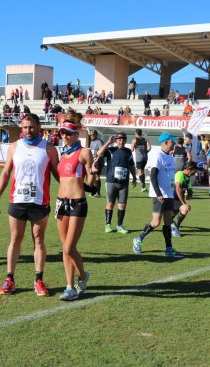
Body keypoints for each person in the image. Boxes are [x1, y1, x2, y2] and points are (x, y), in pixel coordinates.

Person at [0, 113, 59, 296]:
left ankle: (39, 280)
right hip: (17, 201)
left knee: (39, 240)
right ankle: (9, 279)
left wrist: (70, 191)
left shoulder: (50, 148)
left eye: (31, 127)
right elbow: (6, 173)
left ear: (38, 127)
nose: (28, 131)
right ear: (21, 128)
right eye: (25, 127)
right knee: (15, 239)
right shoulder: (14, 147)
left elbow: (57, 174)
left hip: (39, 202)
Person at [55, 115, 95, 301]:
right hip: (61, 203)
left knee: (70, 248)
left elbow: (91, 181)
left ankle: (82, 276)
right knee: (65, 248)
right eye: (63, 133)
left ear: (76, 134)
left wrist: (93, 174)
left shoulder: (84, 152)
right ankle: (71, 286)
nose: (65, 136)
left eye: (69, 133)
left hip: (78, 203)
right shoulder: (62, 155)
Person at [133, 132, 184, 258]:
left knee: (167, 223)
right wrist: (158, 193)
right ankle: (138, 239)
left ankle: (169, 249)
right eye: (172, 141)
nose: (174, 143)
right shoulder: (158, 156)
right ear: (166, 142)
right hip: (160, 195)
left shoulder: (170, 157)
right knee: (156, 222)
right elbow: (153, 176)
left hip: (169, 194)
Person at [96, 132, 137, 234]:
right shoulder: (111, 150)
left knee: (122, 205)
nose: (121, 141)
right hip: (111, 182)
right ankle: (108, 225)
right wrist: (108, 142)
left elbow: (131, 165)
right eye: (119, 140)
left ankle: (119, 225)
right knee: (110, 204)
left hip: (124, 183)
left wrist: (135, 177)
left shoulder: (128, 152)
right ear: (116, 140)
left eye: (123, 140)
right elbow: (99, 153)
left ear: (125, 141)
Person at [171, 161, 198, 237]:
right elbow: (178, 189)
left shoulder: (187, 177)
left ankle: (175, 226)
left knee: (185, 208)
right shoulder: (180, 174)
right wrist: (183, 203)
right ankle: (172, 226)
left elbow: (189, 188)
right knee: (184, 208)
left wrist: (190, 194)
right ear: (188, 169)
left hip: (176, 200)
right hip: (169, 199)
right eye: (194, 171)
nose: (194, 173)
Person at [88, 130, 103, 197]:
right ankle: (94, 192)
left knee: (97, 176)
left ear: (96, 135)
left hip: (98, 161)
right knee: (93, 176)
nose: (91, 136)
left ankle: (98, 193)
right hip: (93, 161)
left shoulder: (99, 141)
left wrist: (97, 159)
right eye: (91, 135)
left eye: (93, 135)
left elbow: (101, 152)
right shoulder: (91, 142)